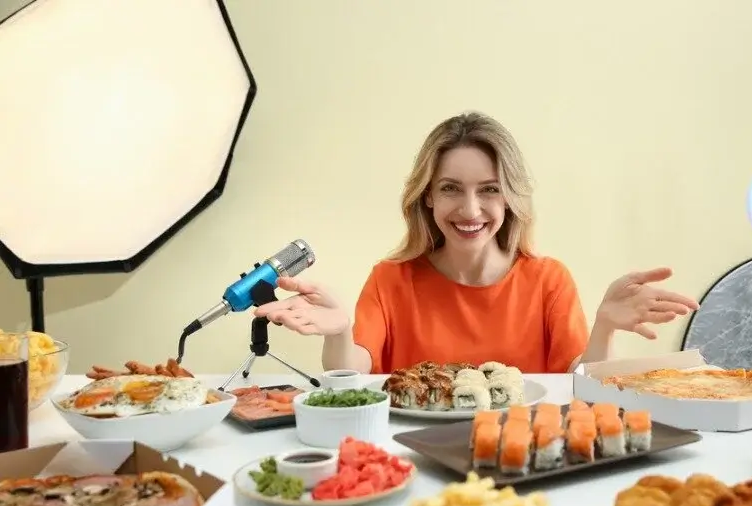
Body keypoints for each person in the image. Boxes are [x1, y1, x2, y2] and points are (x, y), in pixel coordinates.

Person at [256, 112, 699, 374]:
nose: (470, 210)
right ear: (428, 196)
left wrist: (603, 328)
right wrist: (339, 332)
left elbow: (580, 381)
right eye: (451, 188)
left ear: (509, 198)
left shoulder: (548, 279)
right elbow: (353, 371)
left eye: (489, 190)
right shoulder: (391, 280)